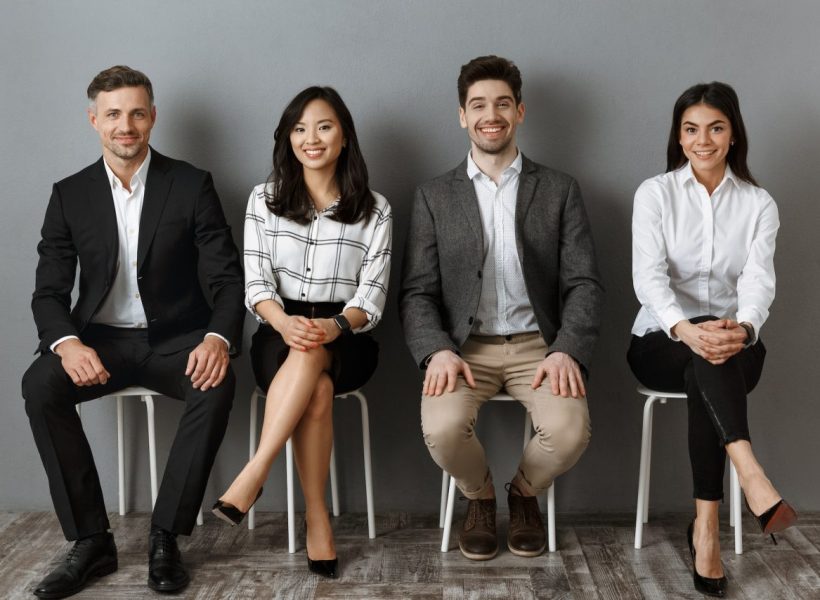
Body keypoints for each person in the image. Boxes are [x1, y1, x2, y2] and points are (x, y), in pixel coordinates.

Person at [21, 66, 245, 597]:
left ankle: (166, 536)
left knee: (217, 384)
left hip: (176, 340)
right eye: (114, 114)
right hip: (99, 343)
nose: (126, 126)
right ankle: (91, 541)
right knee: (40, 385)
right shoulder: (69, 195)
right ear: (94, 120)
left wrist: (216, 339)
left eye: (137, 113)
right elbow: (49, 291)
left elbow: (226, 279)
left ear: (153, 117)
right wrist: (68, 344)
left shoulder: (190, 184)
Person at [400, 55, 603, 561]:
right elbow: (417, 292)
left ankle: (524, 493)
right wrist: (437, 351)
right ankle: (481, 497)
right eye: (478, 105)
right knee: (443, 431)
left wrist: (567, 349)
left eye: (502, 104)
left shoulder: (559, 189)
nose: (491, 115)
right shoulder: (433, 196)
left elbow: (584, 284)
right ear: (462, 116)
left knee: (570, 432)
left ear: (520, 111)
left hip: (540, 348)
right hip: (463, 350)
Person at [212, 86, 392, 579]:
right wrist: (284, 322)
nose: (311, 138)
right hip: (278, 327)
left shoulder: (375, 208)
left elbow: (372, 296)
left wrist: (334, 326)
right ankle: (317, 518)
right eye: (299, 128)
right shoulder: (263, 199)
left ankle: (255, 472)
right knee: (317, 387)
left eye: (324, 127)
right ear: (287, 138)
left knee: (314, 355)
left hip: (349, 334)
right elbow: (256, 284)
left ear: (344, 136)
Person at [628, 81, 797, 597]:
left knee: (710, 362)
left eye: (716, 128)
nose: (703, 140)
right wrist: (686, 328)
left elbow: (758, 281)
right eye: (691, 129)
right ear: (679, 137)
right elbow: (649, 279)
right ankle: (751, 475)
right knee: (702, 355)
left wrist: (743, 329)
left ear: (733, 134)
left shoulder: (759, 204)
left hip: (733, 343)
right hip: (660, 340)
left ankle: (706, 530)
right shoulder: (655, 194)